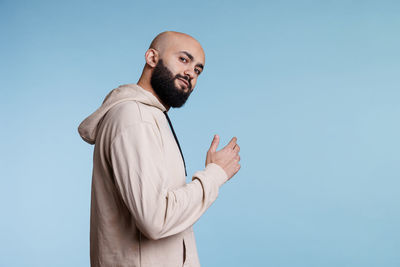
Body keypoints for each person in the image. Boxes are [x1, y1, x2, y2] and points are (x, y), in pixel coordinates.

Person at [78, 31, 241, 267]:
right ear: (152, 58)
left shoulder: (151, 116)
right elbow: (155, 219)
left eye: (198, 70)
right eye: (184, 59)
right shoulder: (135, 118)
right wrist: (215, 175)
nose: (190, 74)